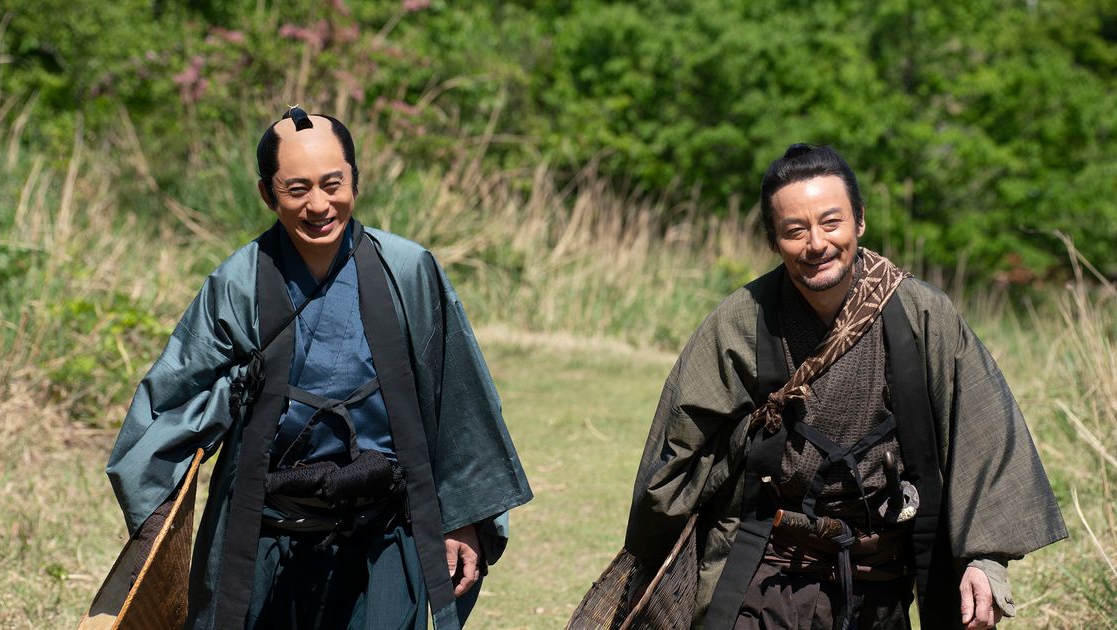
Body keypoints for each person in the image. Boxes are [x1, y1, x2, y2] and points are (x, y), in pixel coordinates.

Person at [106, 107, 532, 629]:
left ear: (355, 180)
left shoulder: (408, 271)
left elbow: (460, 406)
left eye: (333, 184)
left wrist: (463, 519)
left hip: (386, 534)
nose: (319, 205)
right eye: (297, 189)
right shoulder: (238, 284)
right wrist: (158, 529)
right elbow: (170, 403)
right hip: (265, 534)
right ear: (268, 194)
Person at [623, 144, 1066, 629]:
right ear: (774, 241)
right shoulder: (740, 321)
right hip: (765, 567)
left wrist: (986, 561)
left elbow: (980, 431)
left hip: (880, 578)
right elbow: (680, 445)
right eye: (795, 230)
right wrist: (650, 559)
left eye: (831, 223)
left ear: (860, 221)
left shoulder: (922, 315)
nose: (817, 244)